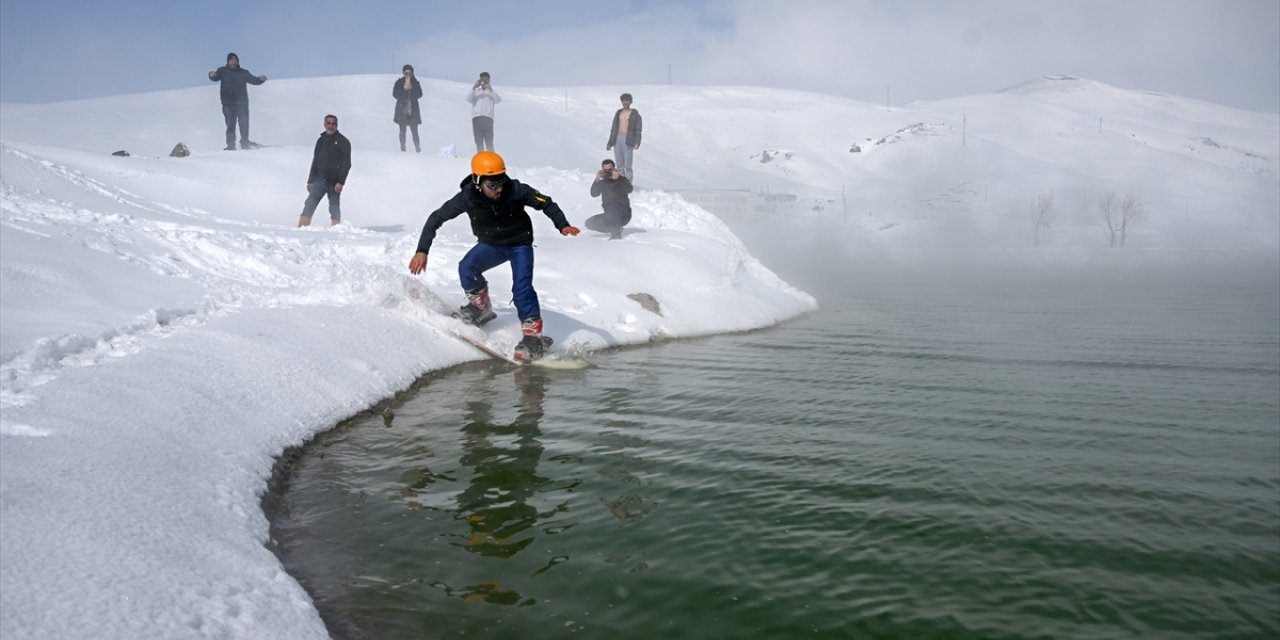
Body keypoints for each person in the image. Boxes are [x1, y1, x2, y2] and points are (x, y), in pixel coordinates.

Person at [409, 151, 580, 362]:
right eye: (493, 185)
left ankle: (533, 337)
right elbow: (436, 218)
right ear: (478, 181)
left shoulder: (516, 189)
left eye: (501, 182)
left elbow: (546, 202)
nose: (499, 189)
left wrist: (563, 225)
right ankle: (480, 308)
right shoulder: (467, 197)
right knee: (467, 268)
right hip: (491, 245)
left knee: (521, 288)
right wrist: (422, 250)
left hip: (519, 245)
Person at [297, 115, 352, 227]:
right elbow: (315, 161)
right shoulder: (321, 140)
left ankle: (336, 229)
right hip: (319, 179)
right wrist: (311, 180)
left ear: (337, 125)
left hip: (334, 181)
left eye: (333, 124)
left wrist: (341, 182)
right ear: (324, 124)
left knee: (334, 206)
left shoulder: (343, 141)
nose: (331, 126)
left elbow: (346, 164)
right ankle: (301, 229)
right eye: (328, 123)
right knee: (309, 204)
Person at [207, 52, 267, 151]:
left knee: (244, 124)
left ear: (238, 62)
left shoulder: (244, 73)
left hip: (242, 104)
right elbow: (215, 77)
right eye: (232, 60)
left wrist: (260, 79)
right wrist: (211, 74)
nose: (234, 62)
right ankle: (231, 146)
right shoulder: (222, 71)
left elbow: (254, 80)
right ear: (228, 61)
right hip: (228, 104)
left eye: (236, 60)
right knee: (230, 125)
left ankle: (245, 142)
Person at [586, 159, 633, 239]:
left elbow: (629, 189)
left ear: (614, 169)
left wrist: (618, 179)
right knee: (589, 223)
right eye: (605, 170)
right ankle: (614, 228)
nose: (608, 172)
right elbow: (594, 194)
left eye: (610, 170)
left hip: (623, 215)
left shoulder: (622, 179)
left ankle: (616, 235)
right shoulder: (602, 181)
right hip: (609, 216)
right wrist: (597, 180)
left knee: (614, 208)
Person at [606, 92, 642, 181]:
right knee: (619, 165)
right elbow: (613, 128)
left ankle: (628, 183)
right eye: (623, 102)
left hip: (628, 139)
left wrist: (637, 142)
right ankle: (621, 183)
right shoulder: (618, 113)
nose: (625, 104)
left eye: (627, 102)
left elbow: (638, 130)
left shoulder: (635, 114)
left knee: (628, 165)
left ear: (630, 103)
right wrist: (610, 143)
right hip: (617, 139)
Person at [466, 72, 501, 152]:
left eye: (486, 79)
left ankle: (491, 159)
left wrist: (490, 89)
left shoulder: (491, 92)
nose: (484, 81)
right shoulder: (476, 91)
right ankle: (481, 158)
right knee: (478, 141)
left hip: (488, 118)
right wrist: (474, 87)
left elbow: (498, 100)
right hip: (477, 118)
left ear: (489, 80)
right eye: (482, 79)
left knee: (489, 141)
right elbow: (468, 99)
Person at [393, 64, 423, 152]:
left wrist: (412, 88)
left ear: (412, 73)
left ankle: (417, 148)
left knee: (415, 132)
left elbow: (420, 94)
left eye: (410, 73)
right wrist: (404, 89)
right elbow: (395, 94)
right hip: (402, 112)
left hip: (413, 113)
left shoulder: (416, 83)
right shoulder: (399, 82)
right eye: (406, 73)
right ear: (403, 73)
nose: (408, 75)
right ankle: (403, 148)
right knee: (402, 132)